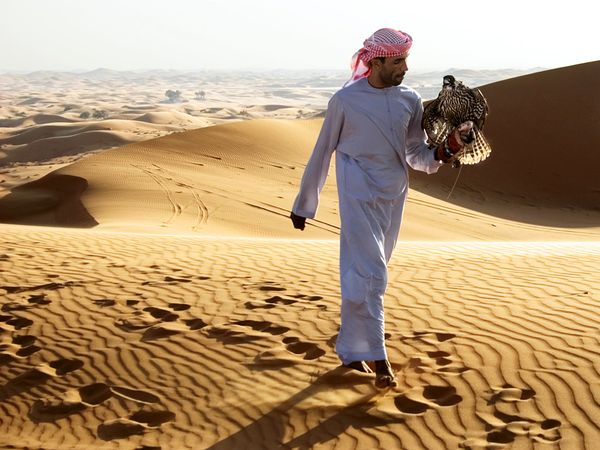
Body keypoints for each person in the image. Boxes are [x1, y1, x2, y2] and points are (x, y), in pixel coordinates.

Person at [290, 28, 472, 388]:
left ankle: (351, 348)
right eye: (398, 60)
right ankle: (379, 357)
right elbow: (322, 151)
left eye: (406, 59)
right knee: (373, 275)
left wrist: (450, 146)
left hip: (394, 196)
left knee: (364, 274)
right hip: (357, 193)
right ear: (375, 61)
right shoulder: (346, 100)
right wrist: (305, 203)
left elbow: (416, 154)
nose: (405, 67)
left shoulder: (410, 99)